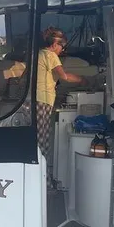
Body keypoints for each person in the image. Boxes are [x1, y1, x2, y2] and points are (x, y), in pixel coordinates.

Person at [36, 27, 83, 176]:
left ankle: (40, 175)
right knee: (42, 141)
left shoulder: (38, 54)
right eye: (62, 47)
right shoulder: (51, 56)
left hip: (34, 100)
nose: (62, 50)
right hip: (43, 101)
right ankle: (44, 179)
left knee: (36, 139)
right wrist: (83, 80)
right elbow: (64, 76)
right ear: (55, 45)